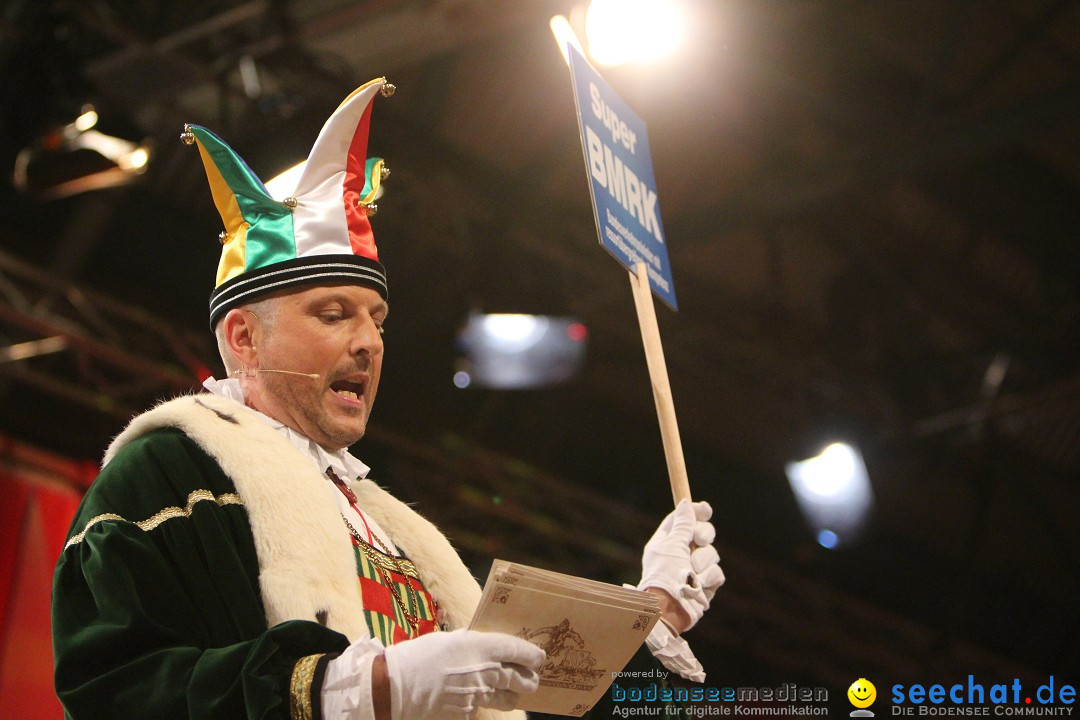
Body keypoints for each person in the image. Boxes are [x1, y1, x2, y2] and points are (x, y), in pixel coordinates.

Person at [51, 77, 725, 720]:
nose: (370, 342)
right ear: (245, 337)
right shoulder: (169, 475)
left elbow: (527, 689)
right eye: (334, 312)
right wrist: (364, 689)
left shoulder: (387, 523)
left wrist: (652, 611)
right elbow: (117, 689)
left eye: (377, 317)